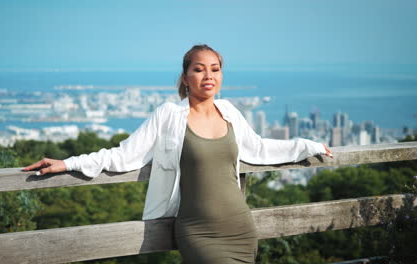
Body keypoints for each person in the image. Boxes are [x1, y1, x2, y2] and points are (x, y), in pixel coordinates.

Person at [23, 44, 333, 263]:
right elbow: (124, 155)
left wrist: (309, 145)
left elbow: (261, 148)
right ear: (185, 77)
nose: (208, 75)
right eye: (199, 69)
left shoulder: (229, 112)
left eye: (215, 69)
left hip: (240, 228)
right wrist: (69, 163)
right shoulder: (169, 115)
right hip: (198, 232)